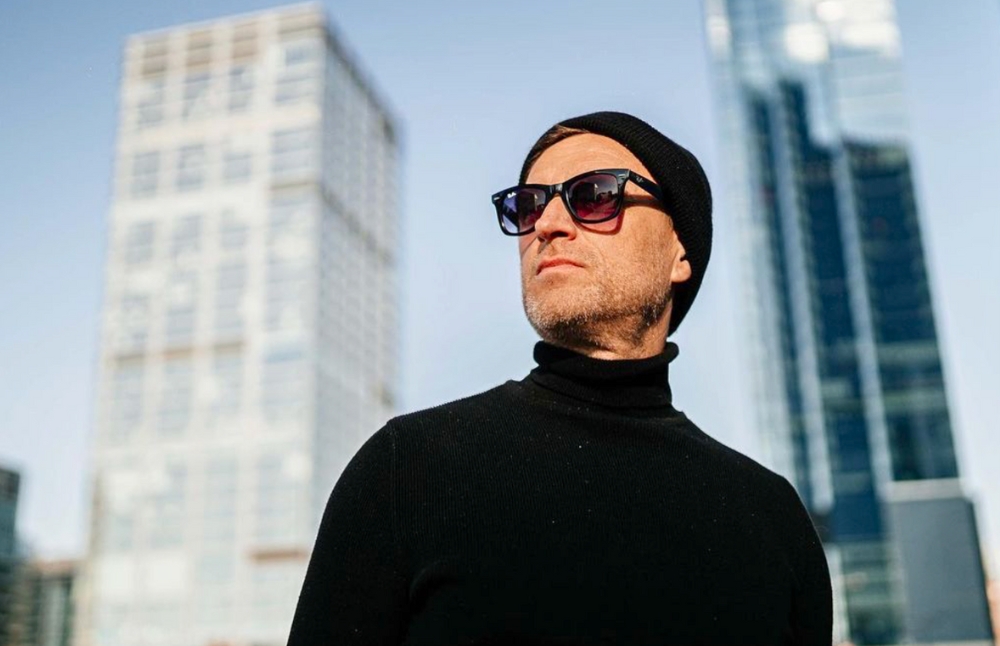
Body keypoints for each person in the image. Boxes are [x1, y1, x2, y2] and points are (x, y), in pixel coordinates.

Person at [286, 112, 833, 644]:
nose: (546, 225)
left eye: (594, 194)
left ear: (680, 251)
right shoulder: (408, 468)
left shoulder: (773, 517)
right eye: (527, 206)